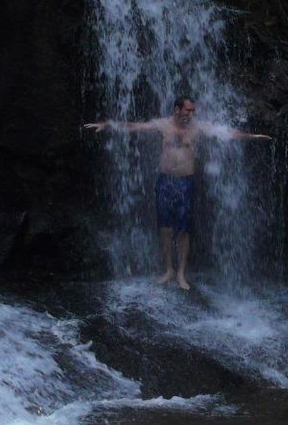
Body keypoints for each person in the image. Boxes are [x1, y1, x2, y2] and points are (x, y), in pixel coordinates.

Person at [83, 96, 272, 290]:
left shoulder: (198, 128)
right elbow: (136, 126)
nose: (191, 114)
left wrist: (252, 136)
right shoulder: (163, 125)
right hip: (165, 181)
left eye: (193, 111)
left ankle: (181, 274)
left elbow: (226, 133)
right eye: (188, 110)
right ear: (177, 109)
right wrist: (107, 125)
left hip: (185, 183)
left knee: (183, 230)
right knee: (165, 228)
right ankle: (168, 270)